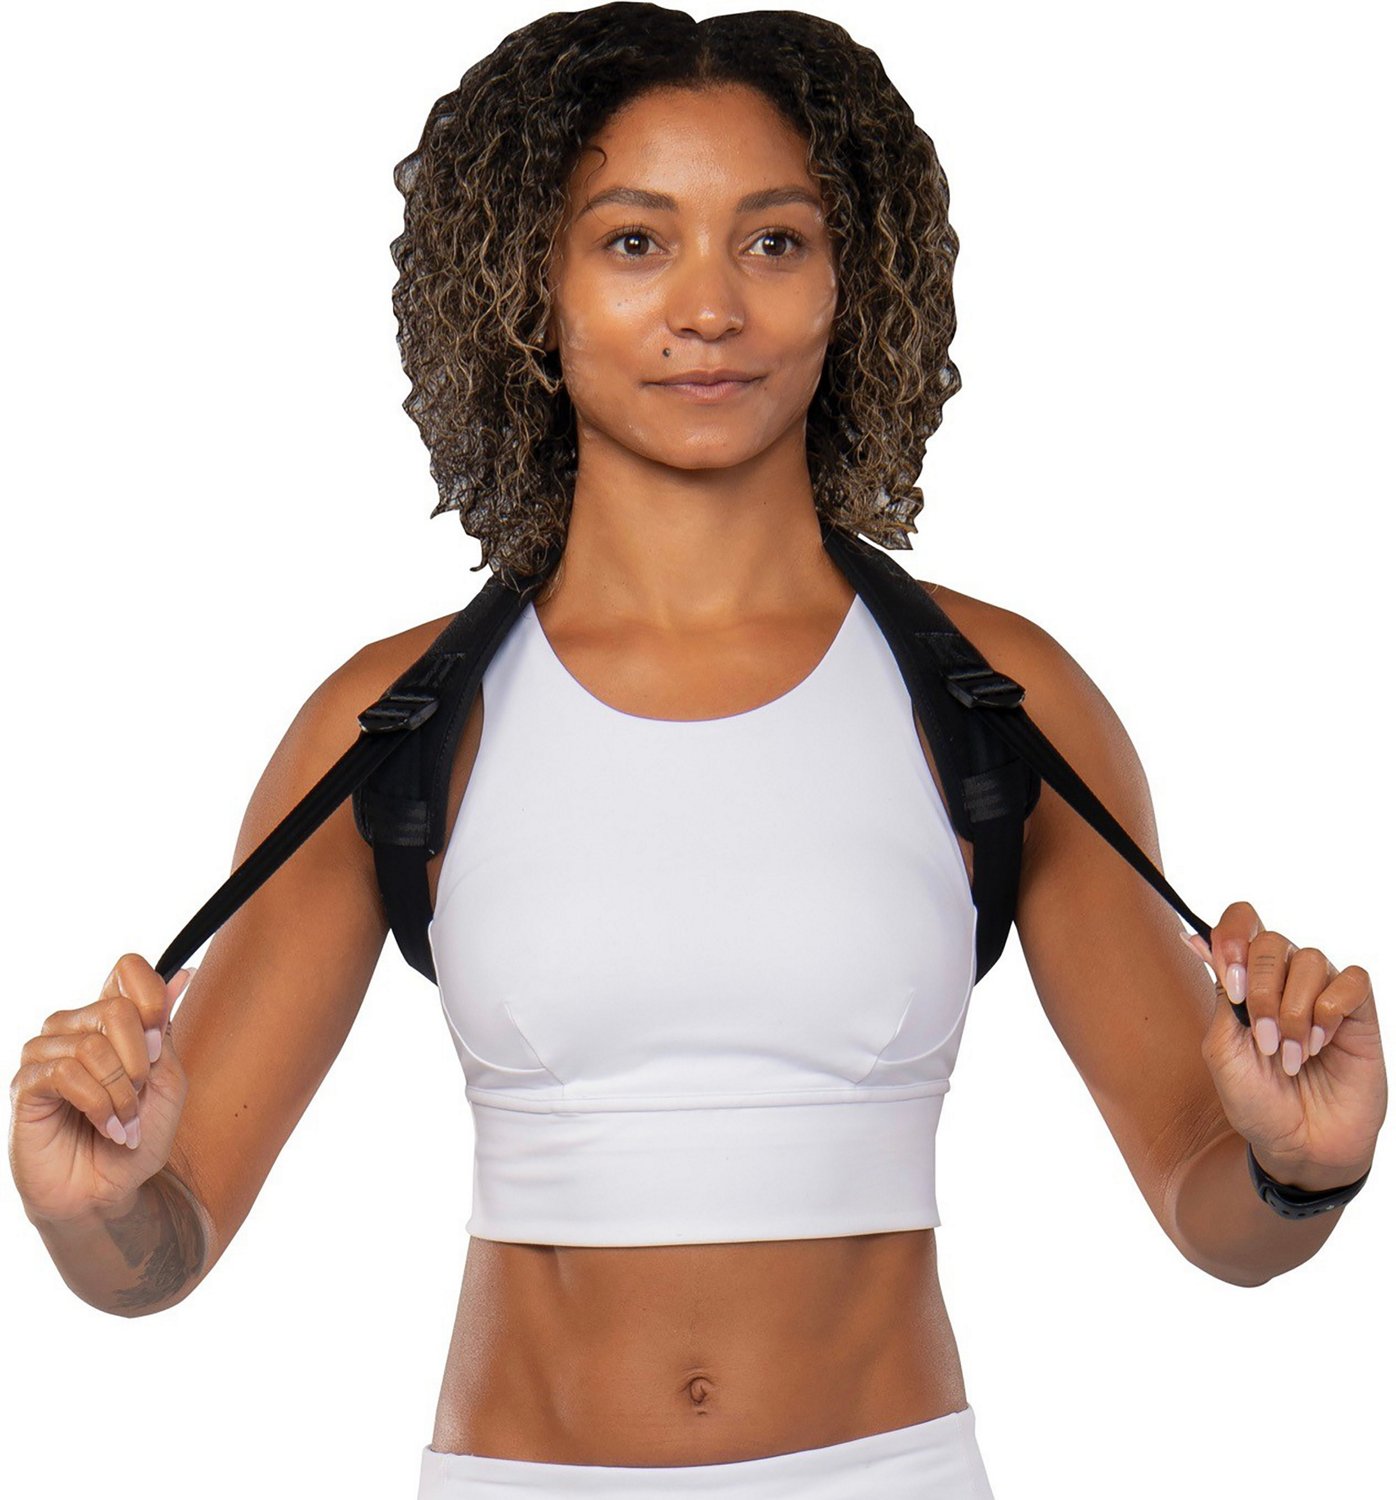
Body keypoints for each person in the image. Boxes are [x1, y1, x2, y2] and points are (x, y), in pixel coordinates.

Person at [9, 5, 1387, 1497]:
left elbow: (1216, 1211)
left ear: (855, 281)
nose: (712, 308)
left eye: (775, 241)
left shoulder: (999, 697)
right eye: (636, 242)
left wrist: (1299, 1166)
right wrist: (97, 1204)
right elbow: (162, 1250)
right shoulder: (395, 720)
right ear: (529, 286)